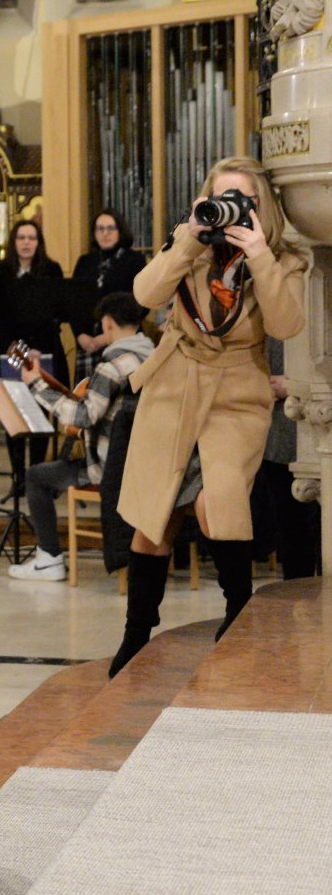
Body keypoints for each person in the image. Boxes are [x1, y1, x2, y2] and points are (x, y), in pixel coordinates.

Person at [110, 156, 307, 675]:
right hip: (174, 382)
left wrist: (259, 252)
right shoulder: (188, 245)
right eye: (223, 199)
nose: (232, 211)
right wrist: (188, 239)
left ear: (262, 206)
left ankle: (236, 617)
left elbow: (287, 324)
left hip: (237, 392)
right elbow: (144, 294)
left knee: (220, 501)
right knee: (155, 515)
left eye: (244, 201)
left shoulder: (283, 259)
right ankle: (134, 637)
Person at [6, 294, 153, 582]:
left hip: (111, 468)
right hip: (149, 465)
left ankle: (49, 559)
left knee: (37, 476)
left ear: (107, 322)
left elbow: (84, 417)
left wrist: (36, 384)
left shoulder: (113, 365)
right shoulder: (155, 355)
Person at [0, 220, 65, 495]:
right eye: (21, 237)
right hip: (11, 354)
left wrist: (36, 349)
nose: (27, 242)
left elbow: (54, 314)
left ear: (38, 242)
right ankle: (18, 477)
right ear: (14, 242)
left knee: (41, 416)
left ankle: (36, 476)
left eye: (32, 237)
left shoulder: (51, 271)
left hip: (42, 353)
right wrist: (20, 350)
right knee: (14, 416)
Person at [253, 338, 320, 579]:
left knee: (321, 525)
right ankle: (297, 600)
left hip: (320, 425)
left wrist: (291, 385)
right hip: (277, 431)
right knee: (290, 526)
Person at [69, 212, 147, 363]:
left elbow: (141, 303)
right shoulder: (85, 261)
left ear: (120, 231)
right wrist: (80, 334)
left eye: (111, 228)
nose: (105, 233)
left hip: (123, 340)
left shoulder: (134, 260)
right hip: (88, 342)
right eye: (100, 229)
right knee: (87, 387)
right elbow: (73, 301)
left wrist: (110, 335)